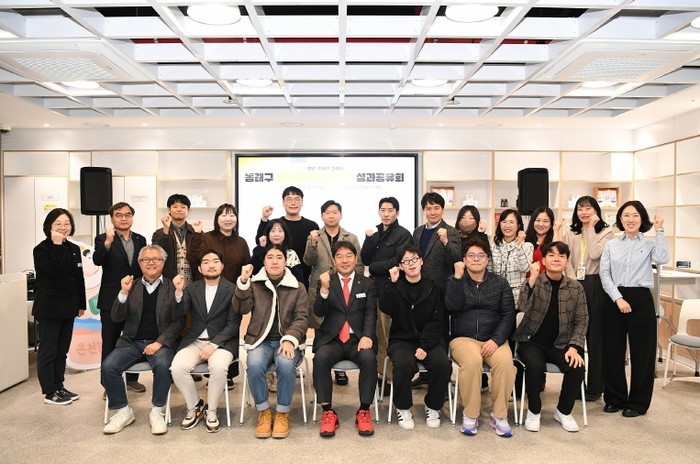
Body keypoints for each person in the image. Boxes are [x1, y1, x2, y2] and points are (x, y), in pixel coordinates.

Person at [102, 245, 185, 435]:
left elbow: (178, 321)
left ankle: (157, 411)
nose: (151, 263)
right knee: (109, 366)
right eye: (146, 259)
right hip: (132, 342)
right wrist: (123, 293)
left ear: (163, 262)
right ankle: (123, 411)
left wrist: (159, 343)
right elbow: (116, 317)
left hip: (160, 343)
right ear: (139, 264)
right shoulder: (132, 286)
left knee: (163, 366)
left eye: (156, 259)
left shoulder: (173, 286)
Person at [600, 201, 668, 418]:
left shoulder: (649, 244)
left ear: (642, 219)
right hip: (615, 298)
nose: (630, 219)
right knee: (612, 350)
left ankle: (638, 403)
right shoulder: (611, 244)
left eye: (635, 215)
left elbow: (662, 258)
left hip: (641, 299)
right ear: (620, 219)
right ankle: (615, 398)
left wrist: (659, 230)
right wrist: (618, 298)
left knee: (643, 353)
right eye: (626, 215)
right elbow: (604, 274)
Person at [234, 244, 310, 439]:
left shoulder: (298, 287)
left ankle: (283, 412)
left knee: (285, 364)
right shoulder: (254, 284)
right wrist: (243, 281)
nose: (274, 261)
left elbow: (302, 318)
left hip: (289, 342)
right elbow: (241, 308)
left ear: (285, 261)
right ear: (264, 261)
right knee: (254, 364)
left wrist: (290, 339)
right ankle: (264, 411)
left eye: (279, 257)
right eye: (270, 257)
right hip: (261, 341)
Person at [513, 241, 588, 433]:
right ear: (544, 260)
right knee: (535, 366)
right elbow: (522, 306)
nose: (556, 259)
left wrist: (575, 347)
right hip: (531, 341)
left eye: (561, 256)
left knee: (577, 366)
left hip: (561, 344)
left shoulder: (575, 287)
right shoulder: (536, 282)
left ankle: (563, 411)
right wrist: (531, 280)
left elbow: (582, 320)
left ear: (567, 261)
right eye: (551, 255)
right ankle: (534, 411)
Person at [446, 238, 516, 437]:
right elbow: (451, 307)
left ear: (487, 259)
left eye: (480, 255)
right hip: (463, 338)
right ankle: (470, 414)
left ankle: (499, 415)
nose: (476, 259)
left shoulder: (500, 283)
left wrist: (496, 340)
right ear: (464, 259)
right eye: (471, 255)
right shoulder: (454, 280)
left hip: (494, 338)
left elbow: (508, 315)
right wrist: (457, 279)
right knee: (472, 361)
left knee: (505, 363)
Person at [379, 245, 450, 430]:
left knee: (442, 364)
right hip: (401, 340)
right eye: (406, 261)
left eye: (414, 259)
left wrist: (424, 346)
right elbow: (385, 307)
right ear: (400, 266)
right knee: (403, 364)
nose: (411, 264)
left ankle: (433, 406)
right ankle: (403, 408)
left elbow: (438, 321)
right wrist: (392, 283)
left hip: (428, 341)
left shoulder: (433, 288)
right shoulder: (396, 286)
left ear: (421, 261)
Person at [170, 249, 240, 434]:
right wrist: (178, 292)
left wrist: (214, 345)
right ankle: (195, 405)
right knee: (177, 367)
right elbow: (179, 313)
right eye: (206, 262)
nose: (211, 265)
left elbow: (234, 323)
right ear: (200, 268)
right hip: (195, 341)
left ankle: (212, 411)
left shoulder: (232, 289)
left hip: (222, 343)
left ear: (222, 266)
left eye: (215, 261)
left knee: (219, 367)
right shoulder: (192, 288)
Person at [312, 241, 377, 437]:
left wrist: (367, 335)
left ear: (356, 259)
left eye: (349, 255)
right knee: (320, 358)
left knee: (369, 359)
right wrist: (324, 290)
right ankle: (328, 412)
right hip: (332, 339)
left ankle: (364, 410)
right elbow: (319, 311)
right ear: (333, 261)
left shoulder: (367, 283)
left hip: (358, 339)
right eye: (339, 256)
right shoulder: (327, 281)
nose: (345, 260)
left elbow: (370, 313)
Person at [556, 196, 614, 402]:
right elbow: (565, 260)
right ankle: (576, 385)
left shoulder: (607, 232)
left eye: (588, 208)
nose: (584, 212)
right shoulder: (571, 232)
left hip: (596, 283)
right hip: (574, 283)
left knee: (595, 338)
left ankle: (595, 388)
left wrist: (590, 229)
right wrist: (573, 282)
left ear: (596, 210)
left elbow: (594, 254)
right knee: (575, 336)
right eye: (580, 209)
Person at [187, 203, 250, 387]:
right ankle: (210, 372)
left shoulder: (241, 242)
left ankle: (228, 374)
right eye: (223, 215)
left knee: (231, 329)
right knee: (209, 329)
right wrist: (197, 234)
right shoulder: (206, 237)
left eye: (232, 215)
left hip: (232, 295)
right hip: (208, 292)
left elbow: (246, 266)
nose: (228, 219)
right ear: (217, 219)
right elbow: (193, 258)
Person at [304, 200, 364, 386]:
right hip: (321, 287)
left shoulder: (351, 237)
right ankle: (321, 368)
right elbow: (308, 260)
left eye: (335, 212)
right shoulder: (314, 236)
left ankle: (340, 371)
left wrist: (353, 284)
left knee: (342, 323)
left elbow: (359, 265)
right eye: (327, 213)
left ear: (340, 215)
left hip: (345, 288)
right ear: (322, 216)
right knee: (321, 326)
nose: (331, 215)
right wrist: (313, 243)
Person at [32, 208, 86, 405]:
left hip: (68, 307)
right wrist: (56, 245)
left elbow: (78, 278)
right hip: (49, 308)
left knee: (62, 350)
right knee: (49, 351)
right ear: (49, 226)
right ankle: (49, 391)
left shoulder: (73, 248)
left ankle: (59, 386)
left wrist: (81, 303)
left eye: (67, 224)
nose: (63, 227)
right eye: (58, 224)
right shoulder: (42, 249)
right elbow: (53, 271)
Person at [94, 202, 148, 393]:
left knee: (134, 339)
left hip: (136, 298)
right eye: (119, 215)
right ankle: (108, 384)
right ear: (112, 219)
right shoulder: (103, 238)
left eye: (127, 214)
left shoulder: (140, 239)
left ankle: (132, 379)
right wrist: (108, 243)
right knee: (110, 341)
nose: (123, 218)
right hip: (111, 299)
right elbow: (97, 260)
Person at [360, 197, 412, 384]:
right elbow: (365, 259)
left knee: (387, 335)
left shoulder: (403, 234)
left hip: (391, 290)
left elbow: (398, 261)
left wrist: (374, 268)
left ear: (397, 213)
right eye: (383, 210)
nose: (386, 214)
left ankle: (389, 378)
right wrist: (368, 240)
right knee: (375, 334)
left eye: (390, 210)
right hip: (373, 289)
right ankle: (379, 374)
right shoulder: (374, 233)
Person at [256, 186, 319, 287]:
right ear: (283, 203)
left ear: (302, 202)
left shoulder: (312, 226)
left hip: (302, 279)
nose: (293, 203)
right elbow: (260, 241)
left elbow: (315, 254)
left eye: (297, 199)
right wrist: (264, 219)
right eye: (289, 199)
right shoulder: (277, 225)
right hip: (274, 279)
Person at [489, 208, 534, 305]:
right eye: (504, 222)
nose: (507, 225)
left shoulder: (527, 246)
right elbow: (489, 273)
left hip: (517, 298)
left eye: (511, 222)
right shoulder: (493, 247)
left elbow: (524, 268)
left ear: (518, 225)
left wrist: (519, 245)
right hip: (496, 297)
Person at [152, 193, 195, 286]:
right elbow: (156, 255)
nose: (179, 209)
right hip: (168, 284)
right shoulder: (159, 233)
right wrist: (166, 230)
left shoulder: (195, 232)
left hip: (192, 285)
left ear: (188, 210)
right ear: (169, 209)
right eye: (175, 207)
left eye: (183, 207)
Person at [251, 218, 304, 283]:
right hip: (262, 288)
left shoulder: (291, 254)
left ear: (285, 233)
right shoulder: (261, 251)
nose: (276, 234)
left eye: (280, 231)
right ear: (268, 233)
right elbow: (251, 270)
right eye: (273, 231)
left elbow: (299, 280)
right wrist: (260, 248)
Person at [524, 205, 555, 275]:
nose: (541, 224)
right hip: (526, 280)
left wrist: (556, 230)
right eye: (538, 220)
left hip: (546, 280)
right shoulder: (524, 240)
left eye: (545, 221)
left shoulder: (554, 240)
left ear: (551, 224)